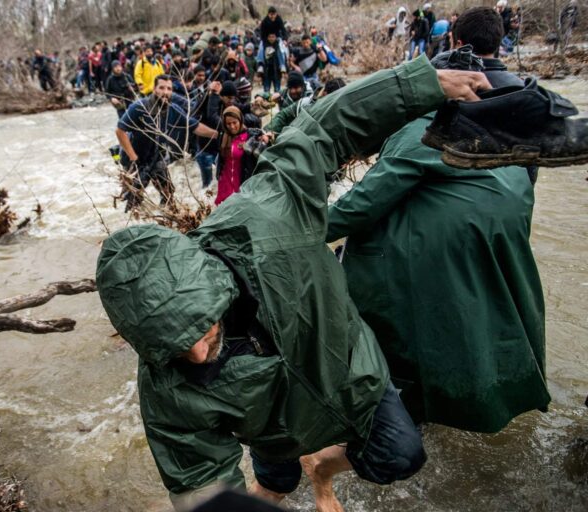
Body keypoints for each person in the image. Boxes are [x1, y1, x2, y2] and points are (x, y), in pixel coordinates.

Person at [97, 58, 491, 512]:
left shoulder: (265, 217)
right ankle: (294, 470)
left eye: (198, 331)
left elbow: (321, 130)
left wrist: (424, 83)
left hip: (351, 372)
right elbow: (200, 484)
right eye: (175, 349)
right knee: (274, 488)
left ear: (209, 284)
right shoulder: (165, 389)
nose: (198, 355)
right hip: (276, 432)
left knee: (400, 456)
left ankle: (321, 470)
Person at [326, 7, 550, 434]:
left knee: (383, 291)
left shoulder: (431, 121)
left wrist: (306, 226)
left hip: (443, 249)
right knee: (483, 320)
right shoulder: (520, 99)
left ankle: (400, 408)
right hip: (503, 230)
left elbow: (363, 203)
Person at [116, 75, 218, 209]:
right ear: (154, 89)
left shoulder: (173, 109)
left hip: (156, 156)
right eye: (162, 88)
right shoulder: (139, 107)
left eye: (169, 89)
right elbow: (120, 131)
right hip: (133, 160)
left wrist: (217, 134)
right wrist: (133, 157)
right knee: (133, 199)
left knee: (168, 194)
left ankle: (165, 216)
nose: (166, 92)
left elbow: (194, 126)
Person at [214, 106, 259, 205]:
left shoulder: (250, 136)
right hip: (225, 183)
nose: (232, 126)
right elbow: (221, 160)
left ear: (240, 120)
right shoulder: (223, 137)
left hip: (242, 183)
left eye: (235, 122)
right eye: (228, 124)